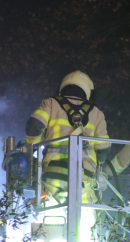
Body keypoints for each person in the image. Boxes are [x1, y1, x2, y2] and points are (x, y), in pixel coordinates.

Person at [25, 70, 110, 203]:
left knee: (48, 219)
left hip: (53, 175)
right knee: (88, 218)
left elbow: (33, 127)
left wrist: (33, 149)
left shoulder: (51, 104)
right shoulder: (96, 113)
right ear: (87, 90)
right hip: (84, 179)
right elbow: (103, 148)